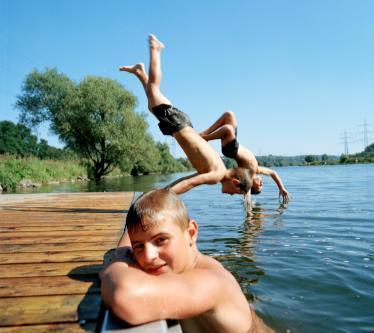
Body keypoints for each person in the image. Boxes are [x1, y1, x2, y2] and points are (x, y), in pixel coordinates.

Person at [100, 189, 274, 333]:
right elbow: (125, 246)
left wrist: (117, 262)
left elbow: (125, 296)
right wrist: (124, 252)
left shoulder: (213, 282)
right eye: (138, 246)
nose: (148, 256)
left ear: (191, 233)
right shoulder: (174, 268)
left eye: (161, 240)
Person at [119, 34, 252, 196]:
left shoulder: (218, 169)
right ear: (235, 182)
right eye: (235, 193)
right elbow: (189, 184)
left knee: (151, 104)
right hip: (179, 124)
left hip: (180, 124)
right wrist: (162, 198)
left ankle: (140, 73)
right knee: (153, 89)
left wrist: (164, 190)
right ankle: (156, 49)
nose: (231, 195)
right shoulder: (216, 175)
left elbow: (185, 180)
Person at [200, 111, 290, 203]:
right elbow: (273, 173)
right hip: (234, 143)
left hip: (231, 150)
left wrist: (249, 210)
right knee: (228, 115)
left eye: (259, 186)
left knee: (228, 129)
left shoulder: (248, 175)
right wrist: (281, 188)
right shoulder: (257, 170)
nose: (262, 183)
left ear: (251, 185)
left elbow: (247, 196)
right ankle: (204, 134)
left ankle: (205, 138)